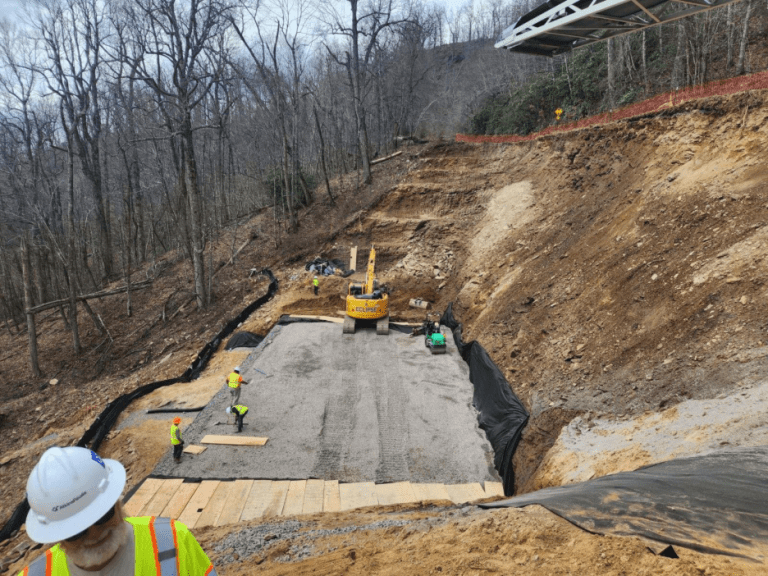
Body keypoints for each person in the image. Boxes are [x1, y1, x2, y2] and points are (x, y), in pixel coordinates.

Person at [16, 446, 218, 576]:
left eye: (103, 516)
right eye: (77, 531)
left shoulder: (172, 540)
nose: (94, 534)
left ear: (118, 504)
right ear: (56, 536)